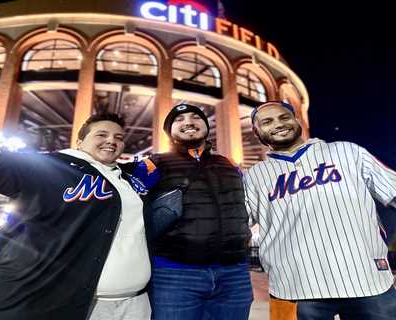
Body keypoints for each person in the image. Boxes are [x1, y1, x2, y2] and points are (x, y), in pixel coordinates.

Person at [0, 77, 152, 320]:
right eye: (101, 134)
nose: (112, 140)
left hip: (131, 304)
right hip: (39, 303)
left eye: (119, 137)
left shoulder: (131, 181)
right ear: (79, 141)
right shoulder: (51, 166)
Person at [244, 101, 396, 320]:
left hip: (368, 281)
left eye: (284, 117)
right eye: (267, 122)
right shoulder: (254, 177)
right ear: (257, 133)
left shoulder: (347, 151)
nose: (278, 124)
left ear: (297, 121)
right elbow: (232, 223)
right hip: (293, 289)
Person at [133, 104, 253, 320]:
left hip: (234, 275)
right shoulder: (153, 164)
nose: (188, 122)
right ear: (169, 131)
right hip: (175, 275)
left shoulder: (230, 164)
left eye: (195, 117)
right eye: (179, 120)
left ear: (206, 126)